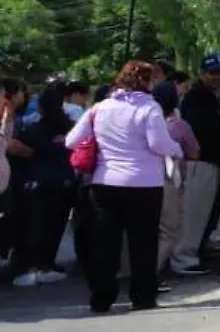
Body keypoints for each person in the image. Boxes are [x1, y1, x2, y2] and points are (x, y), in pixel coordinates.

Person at [66, 61, 185, 314]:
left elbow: (71, 140)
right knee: (143, 244)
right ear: (147, 82)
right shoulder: (150, 108)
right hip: (144, 185)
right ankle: (142, 296)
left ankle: (101, 297)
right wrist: (177, 149)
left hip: (104, 182)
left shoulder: (100, 107)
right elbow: (159, 143)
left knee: (105, 244)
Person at [8, 82, 79, 287]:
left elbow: (18, 150)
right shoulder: (70, 127)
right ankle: (47, 265)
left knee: (35, 226)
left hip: (36, 183)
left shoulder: (33, 130)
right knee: (55, 226)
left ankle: (32, 268)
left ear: (40, 107)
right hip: (64, 182)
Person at [175, 54, 220, 275]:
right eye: (212, 73)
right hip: (202, 160)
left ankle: (197, 248)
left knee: (207, 210)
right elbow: (199, 130)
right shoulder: (196, 97)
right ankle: (184, 257)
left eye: (219, 72)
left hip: (214, 160)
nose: (216, 77)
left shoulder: (212, 96)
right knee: (194, 212)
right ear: (202, 74)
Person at [151, 80, 200, 275]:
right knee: (169, 230)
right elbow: (194, 152)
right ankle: (150, 274)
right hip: (168, 179)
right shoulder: (179, 126)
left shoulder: (148, 121)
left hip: (141, 179)